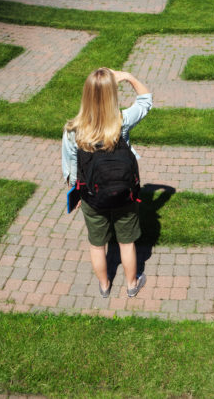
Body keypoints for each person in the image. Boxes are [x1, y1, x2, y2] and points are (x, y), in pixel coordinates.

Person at [62, 67, 152, 298]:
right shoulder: (122, 121)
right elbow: (146, 100)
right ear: (112, 94)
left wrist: (76, 191)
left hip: (92, 196)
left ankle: (104, 286)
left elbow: (71, 167)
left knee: (96, 245)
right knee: (126, 243)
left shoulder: (73, 129)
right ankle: (132, 284)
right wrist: (129, 77)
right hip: (125, 194)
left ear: (86, 94)